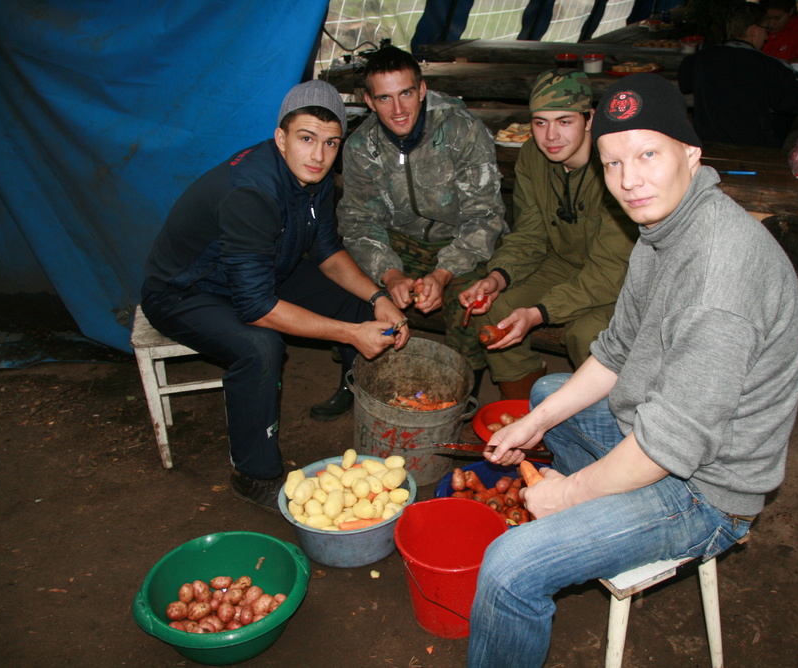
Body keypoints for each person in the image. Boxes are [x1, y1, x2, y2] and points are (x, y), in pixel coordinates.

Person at [465, 74, 798, 668]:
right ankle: (598, 521)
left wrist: (566, 496)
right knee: (547, 392)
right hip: (663, 432)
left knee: (509, 567)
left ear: (691, 154)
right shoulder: (662, 227)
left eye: (648, 154)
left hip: (705, 489)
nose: (629, 180)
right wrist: (534, 422)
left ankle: (582, 527)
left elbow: (669, 445)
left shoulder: (719, 279)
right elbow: (618, 350)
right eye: (613, 162)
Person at [140, 80, 408, 510]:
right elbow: (257, 307)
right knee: (260, 347)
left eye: (330, 142)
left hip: (259, 271)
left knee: (359, 303)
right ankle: (254, 474)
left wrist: (378, 298)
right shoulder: (251, 191)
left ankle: (365, 402)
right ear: (281, 138)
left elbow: (326, 251)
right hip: (186, 292)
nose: (319, 155)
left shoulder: (314, 175)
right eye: (306, 139)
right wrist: (349, 333)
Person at [335, 45, 507, 408]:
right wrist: (391, 275)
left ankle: (461, 397)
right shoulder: (361, 146)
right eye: (384, 98)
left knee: (471, 305)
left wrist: (443, 273)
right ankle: (359, 384)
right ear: (368, 100)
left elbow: (485, 215)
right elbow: (359, 222)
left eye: (406, 94)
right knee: (354, 291)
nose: (398, 110)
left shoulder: (462, 130)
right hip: (400, 243)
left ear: (422, 89)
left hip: (459, 242)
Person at [459, 69, 637, 401]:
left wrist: (540, 312)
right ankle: (524, 414)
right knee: (498, 310)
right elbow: (530, 235)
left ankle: (608, 423)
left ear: (589, 119)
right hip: (563, 263)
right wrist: (498, 278)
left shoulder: (616, 166)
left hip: (622, 279)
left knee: (587, 335)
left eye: (564, 121)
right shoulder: (532, 157)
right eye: (540, 122)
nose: (550, 136)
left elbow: (610, 271)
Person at [678, 1, 798, 148]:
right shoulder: (766, 64)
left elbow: (684, 84)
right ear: (754, 30)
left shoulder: (699, 59)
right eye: (766, 31)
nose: (766, 37)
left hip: (707, 146)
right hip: (752, 149)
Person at [759, 0, 798, 66]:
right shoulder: (758, 27)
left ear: (790, 12)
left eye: (777, 18)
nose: (771, 24)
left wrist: (785, 65)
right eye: (767, 18)